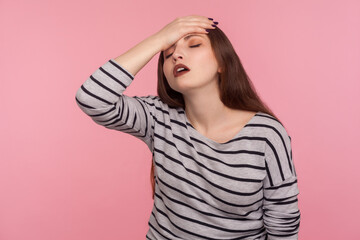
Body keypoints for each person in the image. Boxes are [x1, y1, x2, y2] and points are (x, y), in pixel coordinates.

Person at [75, 15, 301, 240]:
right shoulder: (157, 117)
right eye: (168, 54)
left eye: (194, 44)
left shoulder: (266, 134)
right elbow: (92, 98)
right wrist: (159, 39)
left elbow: (284, 226)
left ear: (222, 62)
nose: (177, 56)